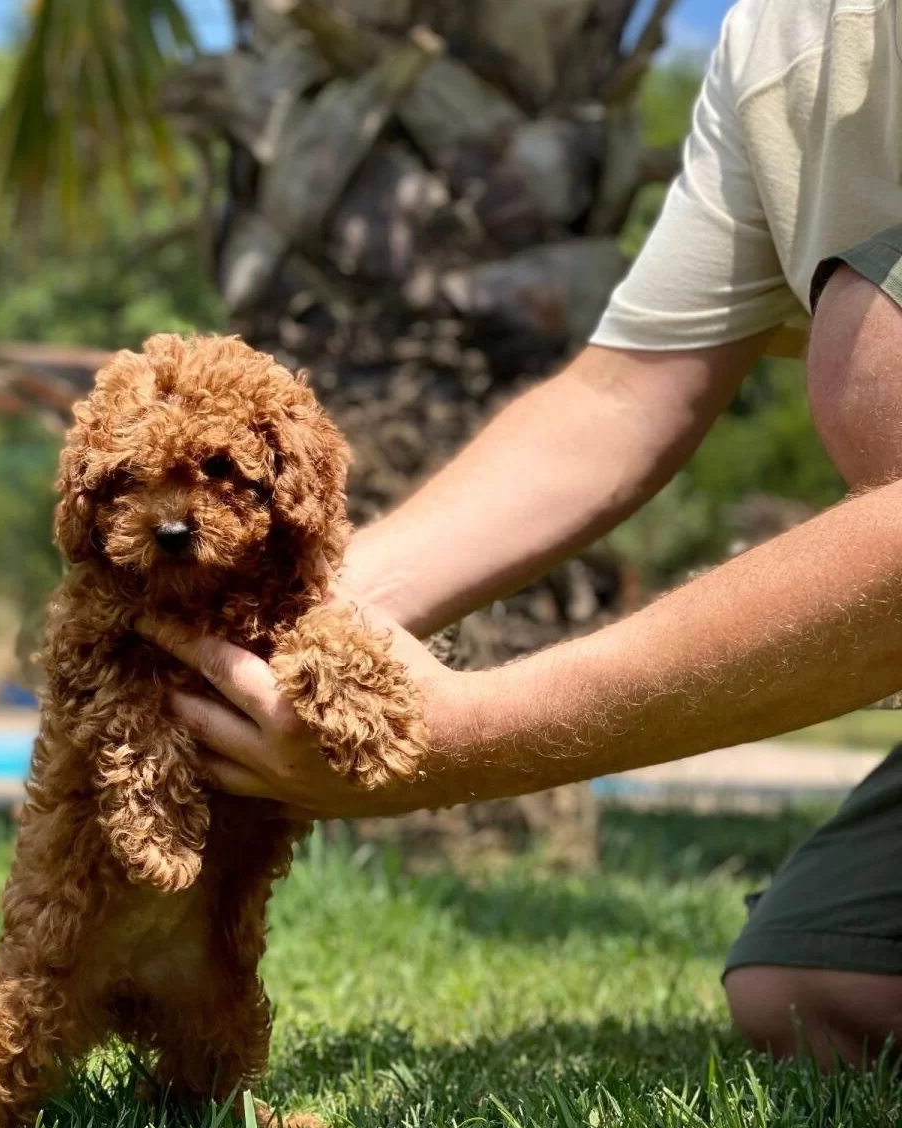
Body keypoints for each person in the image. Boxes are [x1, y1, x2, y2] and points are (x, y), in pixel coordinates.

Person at [139, 0, 902, 1069]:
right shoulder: (782, 38)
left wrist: (472, 735)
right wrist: (299, 613)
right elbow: (622, 399)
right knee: (819, 986)